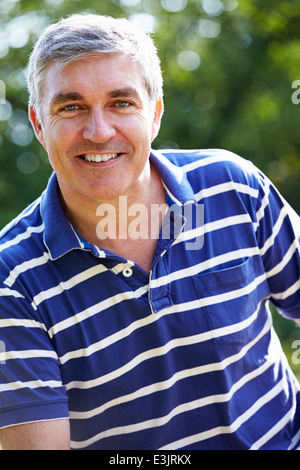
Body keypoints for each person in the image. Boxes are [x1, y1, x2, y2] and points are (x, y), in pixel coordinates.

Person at [0, 13, 299, 451]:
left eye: (121, 103)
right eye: (71, 106)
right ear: (39, 124)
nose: (98, 132)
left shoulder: (232, 186)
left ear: (155, 113)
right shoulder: (11, 279)